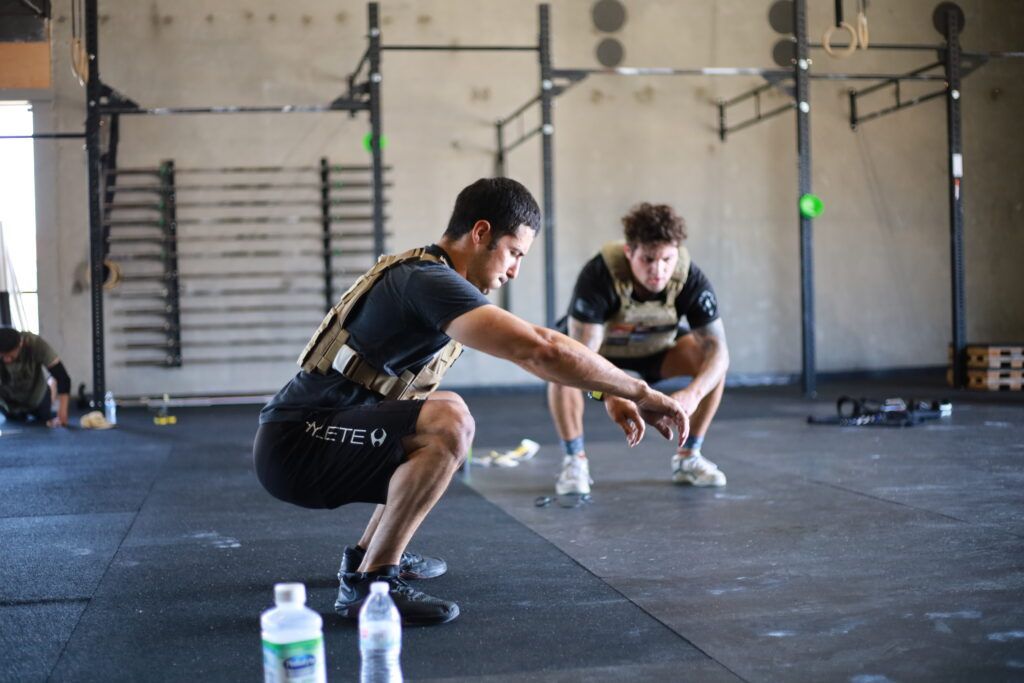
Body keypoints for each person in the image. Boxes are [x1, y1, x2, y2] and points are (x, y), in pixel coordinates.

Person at [253, 178, 688, 626]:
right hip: (297, 444)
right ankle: (371, 588)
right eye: (515, 253)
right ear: (481, 233)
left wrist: (604, 389)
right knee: (449, 421)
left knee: (435, 411)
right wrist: (638, 390)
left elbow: (543, 351)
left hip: (308, 434)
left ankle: (367, 557)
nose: (515, 270)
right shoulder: (428, 281)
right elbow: (541, 348)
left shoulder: (429, 275)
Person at [547, 202, 729, 495]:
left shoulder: (690, 278)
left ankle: (688, 456)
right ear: (629, 252)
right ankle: (574, 460)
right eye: (648, 259)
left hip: (657, 349)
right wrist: (610, 391)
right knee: (560, 368)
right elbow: (581, 359)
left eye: (667, 259)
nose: (658, 270)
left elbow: (719, 351)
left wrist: (692, 394)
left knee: (712, 365)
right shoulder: (598, 276)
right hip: (602, 356)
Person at [0, 325, 71, 428]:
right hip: (9, 401)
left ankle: (51, 384)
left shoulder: (35, 344)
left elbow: (62, 377)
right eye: (2, 356)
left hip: (37, 396)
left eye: (11, 356)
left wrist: (62, 411)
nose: (7, 360)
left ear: (21, 344)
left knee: (43, 427)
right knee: (17, 427)